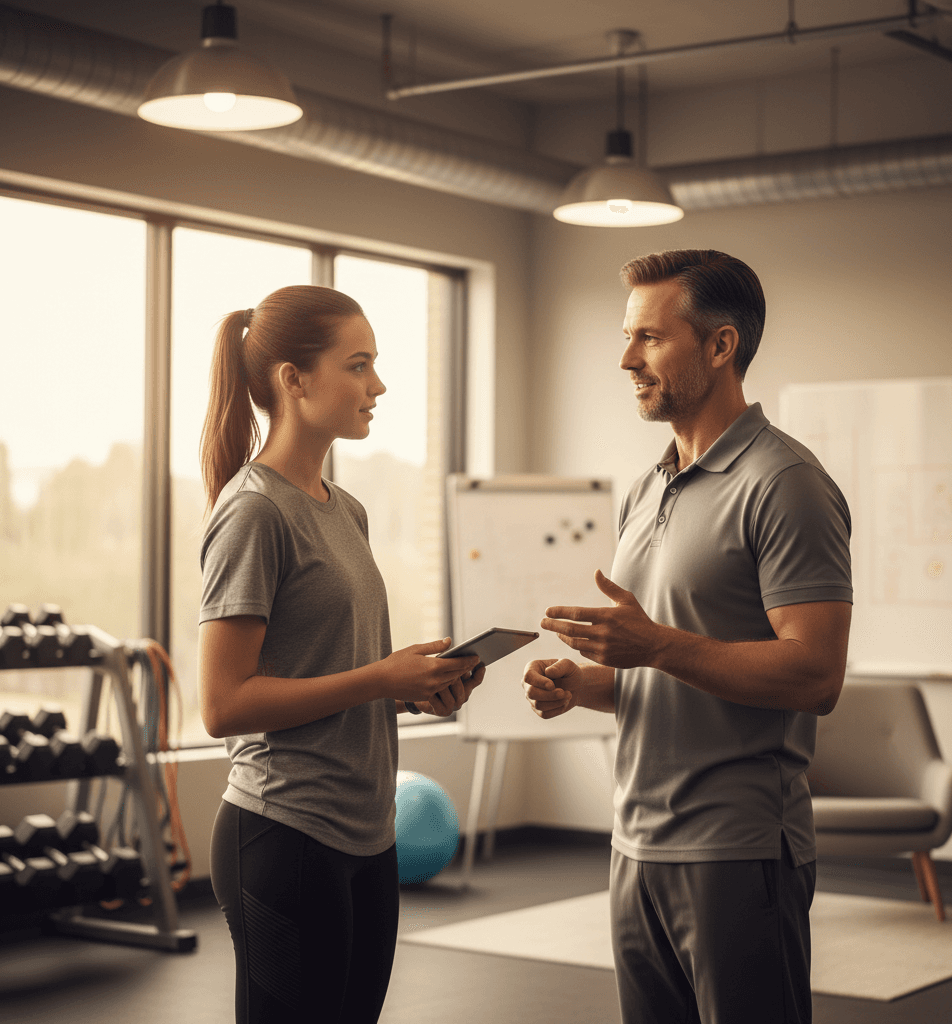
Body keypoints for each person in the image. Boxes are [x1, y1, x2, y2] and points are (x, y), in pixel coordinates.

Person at [522, 250, 853, 1024]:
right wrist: (587, 686)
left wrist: (657, 646)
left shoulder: (786, 484)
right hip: (635, 845)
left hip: (737, 848)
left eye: (648, 338)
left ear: (720, 345)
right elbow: (663, 667)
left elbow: (815, 676)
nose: (625, 359)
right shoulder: (648, 486)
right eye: (626, 336)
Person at [197, 284, 484, 1024]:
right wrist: (380, 676)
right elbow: (224, 705)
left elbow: (329, 670)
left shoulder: (342, 507)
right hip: (284, 829)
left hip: (367, 831)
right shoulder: (254, 511)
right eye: (358, 365)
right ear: (294, 380)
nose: (378, 385)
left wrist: (413, 687)